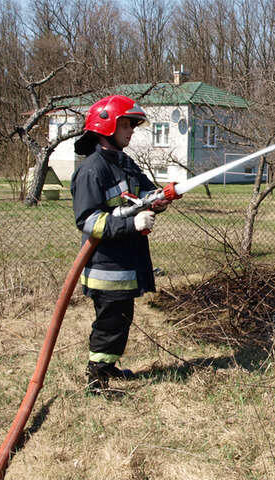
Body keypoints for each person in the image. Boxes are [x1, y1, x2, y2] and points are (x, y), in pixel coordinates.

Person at [71, 95, 170, 393]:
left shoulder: (124, 163)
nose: (131, 132)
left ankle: (107, 367)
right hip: (107, 267)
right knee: (109, 324)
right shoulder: (92, 170)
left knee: (121, 320)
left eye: (132, 126)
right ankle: (96, 379)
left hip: (126, 264)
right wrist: (132, 223)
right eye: (126, 125)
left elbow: (146, 192)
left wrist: (160, 199)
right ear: (107, 126)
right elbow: (88, 221)